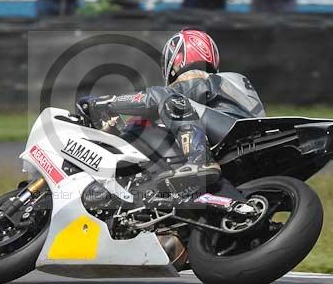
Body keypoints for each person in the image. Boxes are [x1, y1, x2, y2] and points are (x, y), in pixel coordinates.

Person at [77, 29, 265, 192]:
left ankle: (199, 160)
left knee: (164, 98)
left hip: (236, 132)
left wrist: (107, 103)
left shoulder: (201, 78)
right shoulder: (226, 83)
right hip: (244, 141)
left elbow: (161, 99)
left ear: (176, 60)